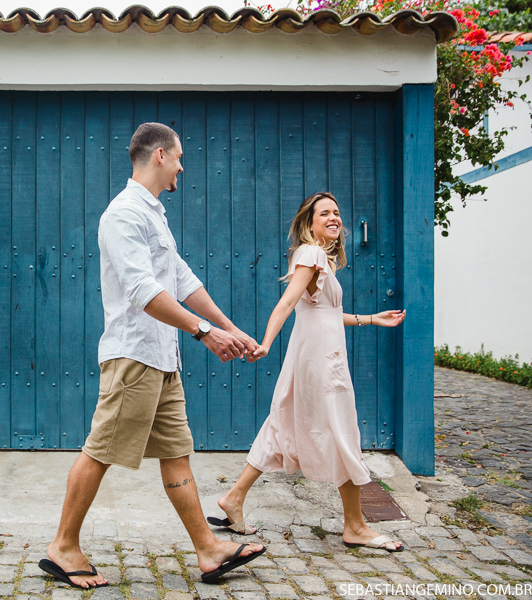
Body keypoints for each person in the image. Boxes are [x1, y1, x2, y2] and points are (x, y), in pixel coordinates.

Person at [39, 123, 266, 589]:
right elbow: (143, 291)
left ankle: (207, 549)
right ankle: (63, 546)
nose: (183, 167)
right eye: (180, 157)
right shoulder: (123, 214)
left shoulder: (154, 214)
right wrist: (205, 333)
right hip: (134, 358)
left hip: (163, 359)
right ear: (159, 155)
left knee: (177, 454)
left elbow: (180, 278)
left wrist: (228, 328)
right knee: (100, 451)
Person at [208, 192, 407, 552]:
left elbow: (325, 314)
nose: (334, 218)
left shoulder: (320, 259)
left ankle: (234, 498)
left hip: (315, 355)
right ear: (310, 222)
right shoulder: (311, 253)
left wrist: (371, 319)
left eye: (337, 212)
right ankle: (356, 526)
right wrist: (266, 343)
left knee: (282, 423)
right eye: (324, 213)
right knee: (342, 431)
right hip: (321, 361)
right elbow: (286, 302)